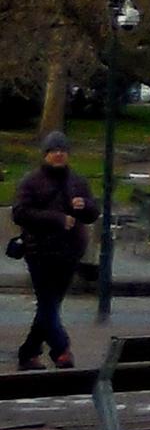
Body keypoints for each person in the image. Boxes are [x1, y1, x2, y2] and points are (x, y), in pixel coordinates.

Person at [10, 135, 95, 371]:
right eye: (53, 150)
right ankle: (61, 349)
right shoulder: (31, 182)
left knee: (50, 306)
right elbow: (20, 213)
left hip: (69, 252)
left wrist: (85, 206)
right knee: (48, 303)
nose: (58, 154)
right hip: (39, 251)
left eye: (63, 150)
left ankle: (28, 353)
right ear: (45, 154)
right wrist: (57, 219)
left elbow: (92, 213)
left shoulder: (77, 181)